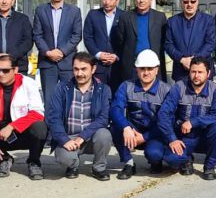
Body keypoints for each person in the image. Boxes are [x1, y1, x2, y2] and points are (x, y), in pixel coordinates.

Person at [148, 56, 216, 180]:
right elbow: (164, 114)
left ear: (208, 73)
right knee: (172, 159)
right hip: (183, 138)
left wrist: (193, 122)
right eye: (193, 71)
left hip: (205, 137)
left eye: (200, 72)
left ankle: (209, 166)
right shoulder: (179, 87)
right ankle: (187, 159)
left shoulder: (215, 89)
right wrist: (172, 139)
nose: (196, 76)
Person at [46, 52, 112, 181]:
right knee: (64, 158)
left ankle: (99, 168)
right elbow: (53, 117)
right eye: (76, 69)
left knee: (104, 135)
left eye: (83, 69)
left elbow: (104, 118)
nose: (79, 73)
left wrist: (82, 136)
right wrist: (64, 139)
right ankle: (73, 166)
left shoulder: (103, 89)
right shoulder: (62, 88)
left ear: (93, 69)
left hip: (91, 137)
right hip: (69, 137)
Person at [109, 50, 171, 180]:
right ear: (136, 69)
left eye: (150, 68)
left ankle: (156, 161)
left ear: (156, 70)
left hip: (155, 132)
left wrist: (145, 137)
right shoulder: (127, 86)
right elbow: (115, 109)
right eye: (142, 68)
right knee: (115, 126)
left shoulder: (166, 90)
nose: (146, 72)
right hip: (132, 131)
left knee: (154, 154)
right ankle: (129, 163)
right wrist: (126, 127)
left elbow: (168, 121)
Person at [33, 0, 82, 105]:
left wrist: (61, 52)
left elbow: (77, 35)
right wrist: (48, 52)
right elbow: (37, 35)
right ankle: (50, 120)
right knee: (49, 101)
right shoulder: (40, 10)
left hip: (67, 62)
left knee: (69, 100)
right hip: (47, 63)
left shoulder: (74, 11)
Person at [0, 54, 47, 180]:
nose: (1, 74)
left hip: (21, 132)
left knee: (40, 127)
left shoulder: (28, 84)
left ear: (15, 70)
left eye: (5, 70)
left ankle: (34, 162)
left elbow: (38, 113)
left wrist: (11, 126)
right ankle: (4, 158)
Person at [112, 0, 167, 83]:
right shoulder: (125, 17)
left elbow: (164, 40)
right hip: (132, 66)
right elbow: (120, 41)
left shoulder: (160, 17)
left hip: (153, 65)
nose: (141, 0)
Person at [165, 0, 216, 82]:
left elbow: (210, 43)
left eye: (193, 1)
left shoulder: (208, 20)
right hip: (181, 71)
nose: (189, 4)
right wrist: (181, 59)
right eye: (186, 2)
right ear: (181, 3)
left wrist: (193, 61)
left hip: (202, 71)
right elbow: (168, 44)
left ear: (197, 2)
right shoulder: (172, 22)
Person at [83, 0, 123, 90]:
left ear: (117, 0)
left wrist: (116, 56)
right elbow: (88, 37)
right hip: (98, 66)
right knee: (98, 94)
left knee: (117, 96)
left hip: (117, 66)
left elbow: (127, 40)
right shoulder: (93, 15)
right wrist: (98, 54)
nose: (107, 2)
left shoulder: (124, 16)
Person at [0, 0, 33, 75]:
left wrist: (10, 56)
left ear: (13, 0)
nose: (4, 1)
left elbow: (28, 41)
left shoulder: (23, 19)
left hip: (18, 67)